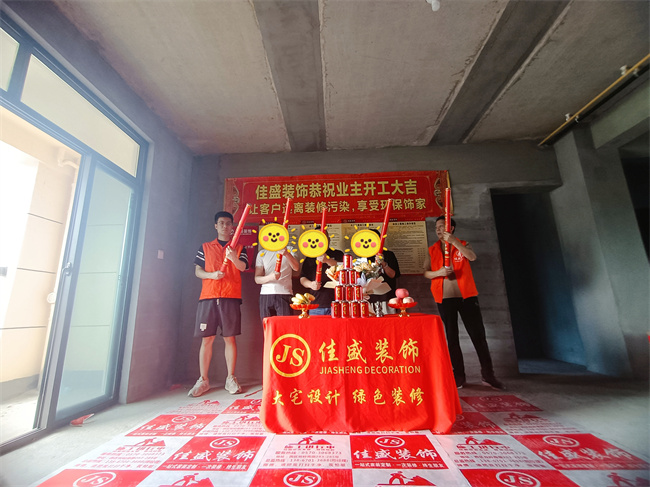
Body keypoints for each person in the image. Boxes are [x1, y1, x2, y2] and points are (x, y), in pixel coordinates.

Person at [423, 215, 504, 390]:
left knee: (478, 336)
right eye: (436, 227)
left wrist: (454, 242)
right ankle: (459, 375)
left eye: (442, 226)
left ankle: (488, 375)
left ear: (451, 228)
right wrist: (439, 273)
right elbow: (426, 272)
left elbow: (472, 257)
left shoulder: (463, 244)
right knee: (452, 338)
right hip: (444, 298)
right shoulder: (432, 249)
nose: (438, 230)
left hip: (467, 297)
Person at [189, 211, 248, 397]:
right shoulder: (205, 247)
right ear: (216, 226)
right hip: (208, 296)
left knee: (230, 338)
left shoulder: (239, 247)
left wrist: (233, 258)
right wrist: (211, 275)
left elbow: (243, 267)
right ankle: (203, 380)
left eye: (228, 223)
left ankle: (230, 378)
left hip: (230, 297)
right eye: (221, 223)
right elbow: (198, 271)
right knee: (207, 339)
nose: (225, 226)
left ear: (232, 227)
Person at [299, 228, 344, 315]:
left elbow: (343, 268)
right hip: (317, 304)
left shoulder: (338, 254)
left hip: (337, 302)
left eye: (324, 237)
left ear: (329, 239)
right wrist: (311, 284)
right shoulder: (310, 257)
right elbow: (302, 278)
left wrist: (327, 260)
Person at [255, 245, 299, 320]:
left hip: (284, 294)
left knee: (285, 325)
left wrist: (287, 254)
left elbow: (296, 268)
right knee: (267, 325)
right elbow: (257, 279)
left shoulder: (290, 249)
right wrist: (270, 277)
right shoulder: (262, 253)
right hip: (265, 294)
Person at [367, 228, 400, 314]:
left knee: (388, 321)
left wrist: (383, 263)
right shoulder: (362, 257)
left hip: (387, 297)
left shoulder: (389, 254)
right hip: (369, 299)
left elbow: (393, 275)